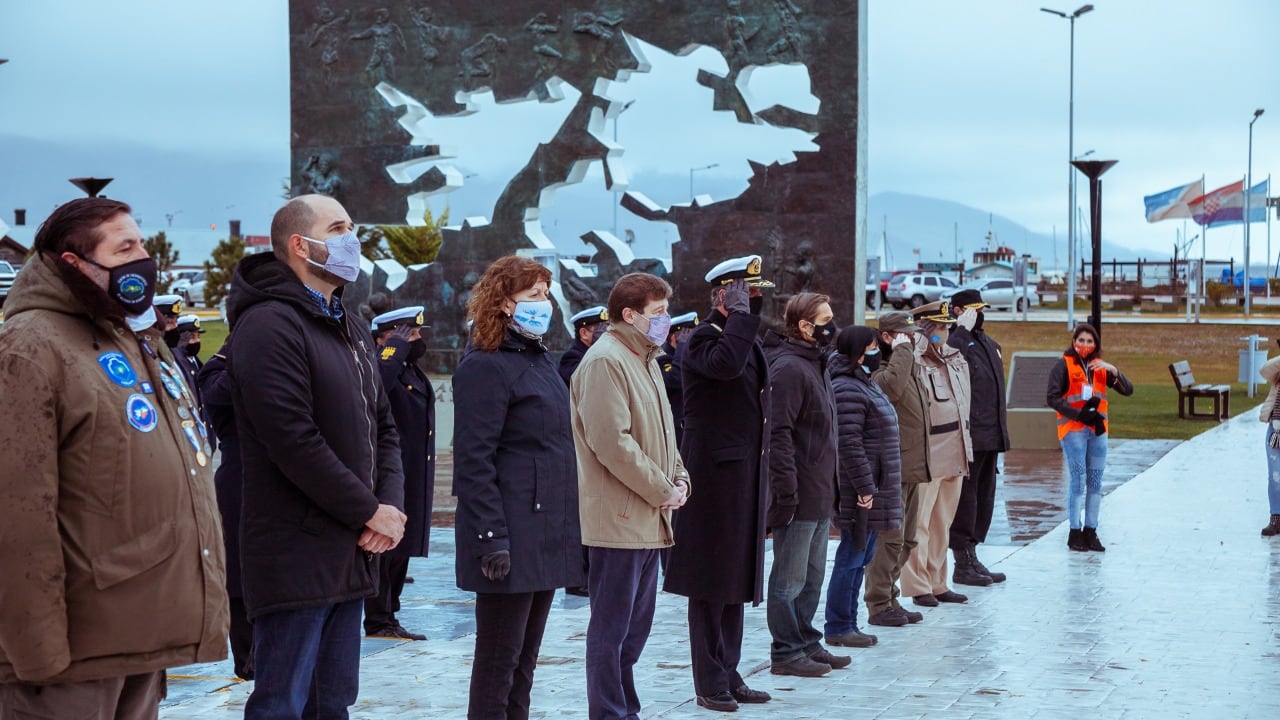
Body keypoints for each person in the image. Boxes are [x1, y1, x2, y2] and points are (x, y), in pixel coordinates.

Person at [0, 197, 228, 717]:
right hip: (69, 658)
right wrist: (36, 651)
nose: (143, 259)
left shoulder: (131, 338)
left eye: (141, 243)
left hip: (137, 636)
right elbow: (16, 513)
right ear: (73, 264)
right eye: (125, 247)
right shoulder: (30, 348)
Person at [229, 194, 407, 720]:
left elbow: (385, 425)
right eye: (339, 228)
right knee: (282, 702)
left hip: (351, 550)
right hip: (295, 553)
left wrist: (389, 509)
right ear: (299, 245)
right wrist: (367, 510)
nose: (352, 239)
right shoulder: (268, 325)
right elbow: (292, 439)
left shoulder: (348, 323)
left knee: (333, 702)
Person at [453, 256, 586, 720]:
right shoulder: (485, 365)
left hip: (545, 530)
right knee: (498, 663)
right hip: (509, 535)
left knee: (524, 663)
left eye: (546, 295)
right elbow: (474, 460)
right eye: (533, 296)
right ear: (504, 303)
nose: (543, 304)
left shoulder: (536, 358)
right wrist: (491, 538)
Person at [572, 272, 691, 720]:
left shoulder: (645, 358)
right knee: (611, 630)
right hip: (619, 520)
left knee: (634, 631)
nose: (665, 321)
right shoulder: (606, 360)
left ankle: (626, 708)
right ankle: (608, 712)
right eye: (657, 314)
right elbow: (613, 443)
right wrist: (664, 489)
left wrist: (680, 479)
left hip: (650, 515)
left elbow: (665, 433)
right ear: (629, 315)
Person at [664, 256, 773, 712]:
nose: (752, 302)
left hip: (742, 477)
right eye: (744, 294)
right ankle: (709, 681)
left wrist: (746, 317)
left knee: (735, 581)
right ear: (724, 295)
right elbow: (728, 366)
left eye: (754, 295)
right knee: (710, 584)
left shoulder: (737, 338)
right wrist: (740, 317)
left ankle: (730, 671)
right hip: (712, 481)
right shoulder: (702, 342)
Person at [764, 291, 848, 676]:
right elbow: (778, 434)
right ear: (804, 325)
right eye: (825, 318)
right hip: (798, 492)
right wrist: (786, 492)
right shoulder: (789, 368)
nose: (832, 325)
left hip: (819, 489)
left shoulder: (817, 363)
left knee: (813, 575)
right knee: (789, 578)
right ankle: (786, 651)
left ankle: (807, 641)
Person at [825, 325, 901, 649]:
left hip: (874, 489)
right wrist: (865, 488)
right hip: (861, 492)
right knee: (851, 557)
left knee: (861, 555)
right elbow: (850, 445)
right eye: (871, 347)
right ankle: (839, 624)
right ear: (857, 352)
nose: (876, 353)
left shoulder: (863, 383)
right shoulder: (847, 388)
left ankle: (849, 622)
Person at [366, 306, 436, 641]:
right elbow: (376, 385)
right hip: (390, 474)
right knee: (386, 548)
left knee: (403, 546)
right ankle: (379, 618)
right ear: (387, 336)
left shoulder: (411, 370)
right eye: (411, 334)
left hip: (412, 472)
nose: (417, 340)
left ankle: (390, 612)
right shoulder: (383, 363)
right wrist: (391, 349)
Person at [901, 302, 973, 607]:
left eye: (946, 326)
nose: (944, 331)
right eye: (938, 326)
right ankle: (918, 586)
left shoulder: (954, 359)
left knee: (942, 522)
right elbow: (905, 374)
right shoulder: (914, 358)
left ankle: (938, 581)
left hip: (955, 449)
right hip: (928, 451)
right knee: (919, 522)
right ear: (924, 328)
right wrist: (918, 340)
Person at [865, 311, 930, 628]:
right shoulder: (877, 369)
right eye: (904, 334)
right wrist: (903, 351)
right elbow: (889, 391)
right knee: (889, 539)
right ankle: (877, 604)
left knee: (907, 539)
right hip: (892, 467)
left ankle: (890, 597)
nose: (912, 338)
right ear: (887, 337)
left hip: (912, 464)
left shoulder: (906, 363)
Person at [1046, 323, 1132, 552]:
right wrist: (1079, 414)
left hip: (1097, 430)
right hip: (1074, 430)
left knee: (1095, 482)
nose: (1085, 345)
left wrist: (1113, 369)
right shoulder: (1063, 364)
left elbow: (1127, 389)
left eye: (1089, 341)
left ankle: (1091, 531)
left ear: (1096, 345)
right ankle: (1075, 531)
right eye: (1081, 340)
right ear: (1074, 342)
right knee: (1078, 481)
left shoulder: (1100, 368)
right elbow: (1052, 397)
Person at [197, 338, 254, 681]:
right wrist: (246, 353)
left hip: (273, 483)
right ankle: (246, 657)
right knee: (239, 576)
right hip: (237, 483)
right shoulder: (215, 372)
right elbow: (220, 394)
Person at [946, 290, 1010, 585]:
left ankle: (972, 555)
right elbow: (947, 361)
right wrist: (960, 330)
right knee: (966, 501)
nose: (978, 314)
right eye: (972, 309)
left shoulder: (988, 343)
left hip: (990, 435)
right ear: (958, 311)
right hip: (970, 436)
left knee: (984, 499)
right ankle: (961, 562)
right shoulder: (956, 341)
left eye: (980, 309)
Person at [558, 304, 609, 597]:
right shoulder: (572, 358)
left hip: (590, 442)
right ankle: (575, 576)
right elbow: (580, 382)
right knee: (578, 515)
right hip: (575, 445)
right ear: (584, 332)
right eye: (597, 330)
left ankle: (587, 573)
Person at [657, 311, 699, 446]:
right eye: (687, 338)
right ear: (674, 338)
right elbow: (675, 379)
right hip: (674, 434)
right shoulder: (662, 360)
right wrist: (682, 348)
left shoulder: (693, 361)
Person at [558, 304, 608, 385]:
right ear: (584, 333)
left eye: (607, 326)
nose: (606, 332)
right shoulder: (572, 358)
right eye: (601, 328)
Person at [1261, 355, 1280, 537]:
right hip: (1276, 432)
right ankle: (1275, 518)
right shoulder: (1277, 373)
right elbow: (1263, 370)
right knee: (1275, 476)